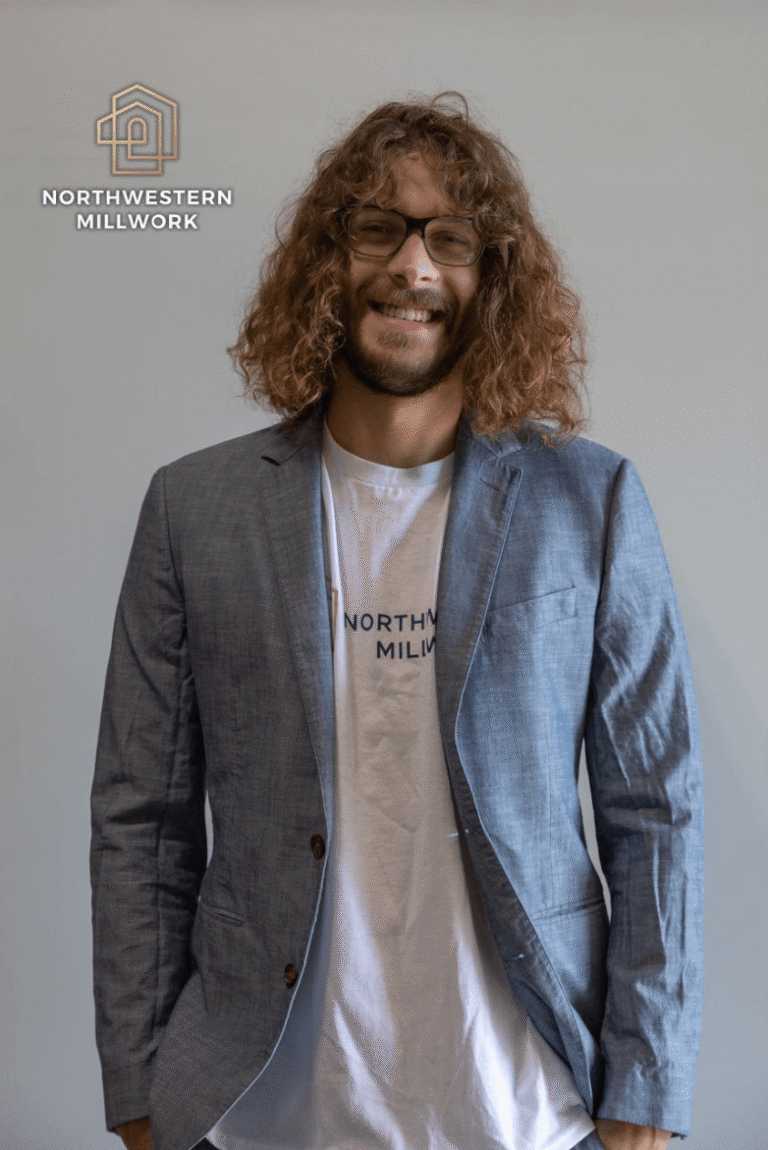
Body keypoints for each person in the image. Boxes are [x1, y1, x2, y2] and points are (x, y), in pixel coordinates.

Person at [90, 93, 704, 1150]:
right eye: (378, 227)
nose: (412, 267)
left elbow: (656, 805)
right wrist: (141, 1084)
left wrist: (645, 1087)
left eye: (450, 239)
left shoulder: (590, 501)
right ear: (326, 261)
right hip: (257, 1114)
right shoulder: (195, 510)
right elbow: (140, 817)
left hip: (527, 1109)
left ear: (490, 278)